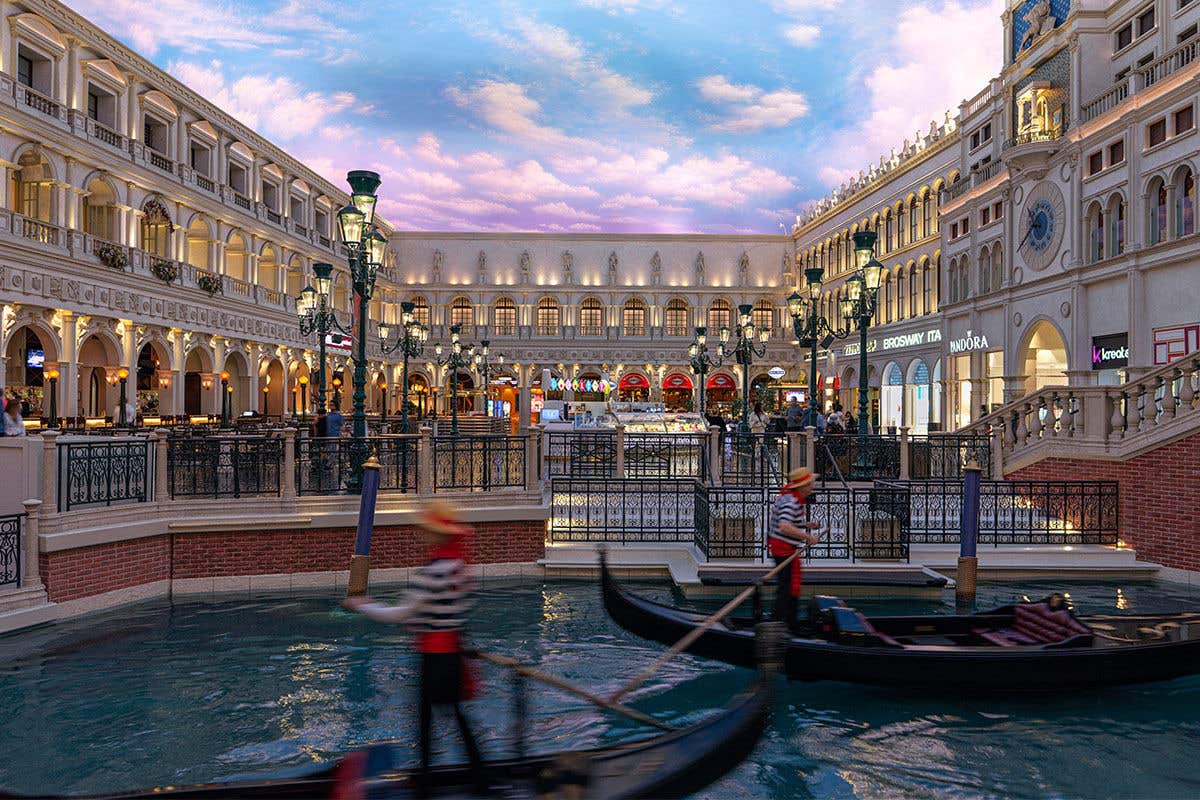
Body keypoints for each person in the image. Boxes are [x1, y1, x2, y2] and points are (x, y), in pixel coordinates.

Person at [343, 501, 485, 796]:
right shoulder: (459, 567)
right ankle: (478, 780)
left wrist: (363, 605)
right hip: (452, 656)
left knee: (426, 724)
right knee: (454, 720)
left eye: (427, 530)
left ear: (438, 534)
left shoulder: (434, 572)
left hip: (436, 661)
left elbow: (401, 613)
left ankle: (430, 786)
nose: (422, 534)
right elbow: (449, 610)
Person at [767, 467, 821, 631]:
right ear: (802, 486)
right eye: (810, 483)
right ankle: (783, 623)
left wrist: (805, 525)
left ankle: (787, 621)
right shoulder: (791, 501)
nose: (812, 486)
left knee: (788, 585)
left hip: (784, 548)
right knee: (786, 587)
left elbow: (787, 522)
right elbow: (784, 526)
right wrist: (808, 537)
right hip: (783, 549)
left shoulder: (791, 499)